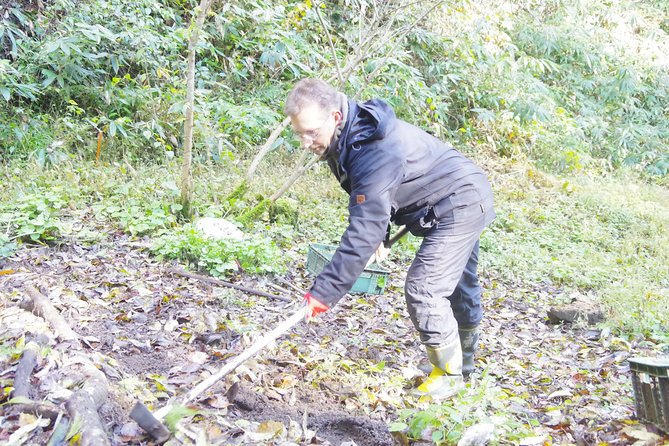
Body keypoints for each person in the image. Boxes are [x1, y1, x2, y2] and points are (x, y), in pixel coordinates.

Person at [284, 78, 495, 399]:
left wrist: (323, 293)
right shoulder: (346, 139)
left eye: (311, 132)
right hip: (449, 197)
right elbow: (370, 196)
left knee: (425, 287)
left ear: (335, 117)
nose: (305, 142)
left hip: (460, 201)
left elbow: (364, 221)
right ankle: (461, 366)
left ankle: (451, 377)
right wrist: (379, 234)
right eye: (299, 133)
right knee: (458, 286)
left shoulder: (373, 148)